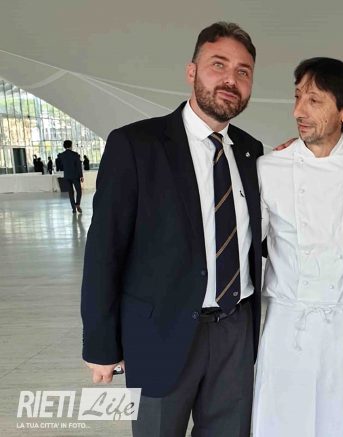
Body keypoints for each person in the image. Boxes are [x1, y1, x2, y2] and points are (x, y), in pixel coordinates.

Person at [80, 22, 264, 437]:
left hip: (236, 330)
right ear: (191, 71)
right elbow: (104, 250)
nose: (231, 80)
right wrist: (101, 344)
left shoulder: (251, 152)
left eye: (243, 71)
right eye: (218, 65)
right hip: (160, 333)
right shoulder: (136, 145)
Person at [253, 58, 343, 437]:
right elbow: (247, 245)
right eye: (297, 98)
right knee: (281, 422)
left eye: (314, 100)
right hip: (286, 325)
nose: (298, 112)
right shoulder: (269, 167)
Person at [58, 141, 84, 213]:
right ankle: (77, 204)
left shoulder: (62, 155)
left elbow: (60, 165)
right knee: (78, 190)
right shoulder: (75, 154)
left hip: (67, 176)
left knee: (70, 192)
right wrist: (81, 176)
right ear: (71, 146)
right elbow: (79, 166)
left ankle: (73, 208)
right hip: (75, 176)